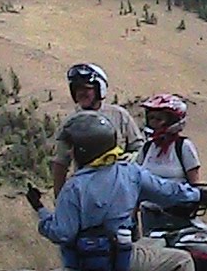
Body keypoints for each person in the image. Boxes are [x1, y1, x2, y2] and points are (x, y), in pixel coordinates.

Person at [26, 110, 207, 271]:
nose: (71, 153)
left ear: (84, 150)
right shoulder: (130, 173)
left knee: (155, 244)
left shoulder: (73, 187)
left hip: (83, 263)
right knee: (182, 261)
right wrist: (198, 194)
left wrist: (41, 211)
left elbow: (61, 232)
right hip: (120, 259)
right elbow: (168, 192)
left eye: (73, 147)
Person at [50, 62, 143, 196]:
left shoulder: (119, 115)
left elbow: (139, 148)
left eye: (86, 89)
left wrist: (129, 162)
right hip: (87, 192)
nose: (81, 93)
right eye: (77, 89)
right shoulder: (71, 123)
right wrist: (59, 198)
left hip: (120, 190)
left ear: (100, 89)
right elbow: (61, 163)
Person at [137, 93, 200, 184]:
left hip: (178, 197)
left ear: (173, 120)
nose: (154, 122)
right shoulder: (147, 147)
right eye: (151, 118)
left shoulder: (183, 146)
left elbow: (195, 185)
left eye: (159, 119)